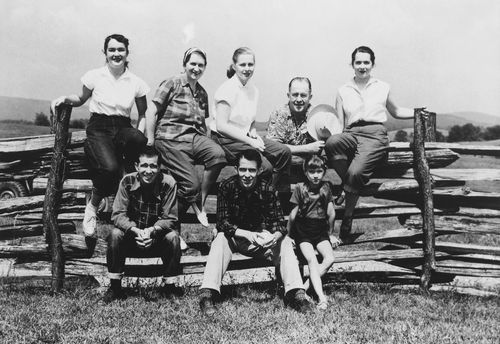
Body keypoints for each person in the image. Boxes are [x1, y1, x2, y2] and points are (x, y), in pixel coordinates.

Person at [325, 46, 429, 243]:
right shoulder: (342, 90)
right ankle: (350, 186)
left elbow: (396, 111)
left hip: (375, 135)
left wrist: (417, 111)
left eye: (366, 62)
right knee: (332, 142)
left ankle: (347, 216)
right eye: (358, 62)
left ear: (372, 64)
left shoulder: (383, 87)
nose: (362, 66)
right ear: (352, 64)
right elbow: (339, 124)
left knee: (356, 172)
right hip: (350, 133)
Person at [51, 34, 149, 238]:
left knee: (139, 139)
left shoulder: (136, 82)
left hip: (122, 127)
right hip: (99, 127)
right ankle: (92, 207)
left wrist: (139, 135)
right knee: (110, 169)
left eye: (120, 50)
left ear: (127, 53)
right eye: (112, 50)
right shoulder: (94, 75)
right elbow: (80, 99)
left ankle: (125, 170)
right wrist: (63, 98)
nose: (116, 54)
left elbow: (142, 113)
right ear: (104, 52)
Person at [198, 149, 311, 315]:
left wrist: (275, 237)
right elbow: (223, 223)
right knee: (220, 238)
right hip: (236, 239)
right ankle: (207, 294)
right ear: (236, 169)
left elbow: (280, 223)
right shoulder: (226, 186)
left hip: (261, 241)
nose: (247, 175)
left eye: (251, 170)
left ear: (259, 170)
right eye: (243, 169)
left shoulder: (267, 189)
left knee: (285, 241)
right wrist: (246, 234)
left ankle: (297, 294)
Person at [145, 47, 226, 231]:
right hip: (169, 138)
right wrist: (150, 141)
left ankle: (200, 202)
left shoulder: (203, 93)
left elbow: (202, 124)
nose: (196, 68)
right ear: (184, 64)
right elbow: (152, 111)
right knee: (190, 185)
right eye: (193, 64)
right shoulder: (172, 83)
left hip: (194, 138)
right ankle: (166, 224)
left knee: (218, 154)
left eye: (201, 65)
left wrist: (205, 143)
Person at [104, 145, 181, 302]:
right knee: (115, 234)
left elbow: (171, 218)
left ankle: (170, 288)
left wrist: (152, 231)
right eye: (144, 165)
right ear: (136, 166)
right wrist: (136, 231)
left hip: (157, 238)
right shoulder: (127, 182)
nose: (148, 170)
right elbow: (117, 215)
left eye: (153, 166)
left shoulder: (168, 183)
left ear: (159, 167)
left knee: (173, 237)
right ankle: (115, 287)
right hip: (132, 238)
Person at [210, 47, 291, 186]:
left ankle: (269, 194)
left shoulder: (253, 89)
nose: (247, 69)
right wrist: (250, 141)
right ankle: (244, 198)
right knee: (265, 167)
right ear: (234, 66)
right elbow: (221, 126)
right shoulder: (227, 89)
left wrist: (253, 133)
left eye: (250, 64)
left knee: (284, 152)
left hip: (245, 137)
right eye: (242, 65)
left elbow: (250, 120)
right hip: (225, 139)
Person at [287, 155, 337, 311]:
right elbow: (292, 215)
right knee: (312, 260)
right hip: (303, 230)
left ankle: (302, 288)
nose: (315, 175)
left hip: (320, 229)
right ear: (305, 172)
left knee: (329, 258)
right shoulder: (300, 188)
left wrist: (331, 234)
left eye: (319, 171)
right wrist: (289, 236)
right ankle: (322, 298)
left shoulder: (326, 187)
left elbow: (331, 214)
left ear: (324, 172)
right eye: (312, 171)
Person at [267, 77, 325, 157]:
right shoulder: (278, 113)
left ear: (310, 97)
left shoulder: (317, 115)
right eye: (295, 95)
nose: (298, 99)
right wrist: (307, 148)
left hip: (310, 165)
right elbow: (273, 147)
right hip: (284, 161)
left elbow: (322, 145)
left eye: (303, 95)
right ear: (288, 95)